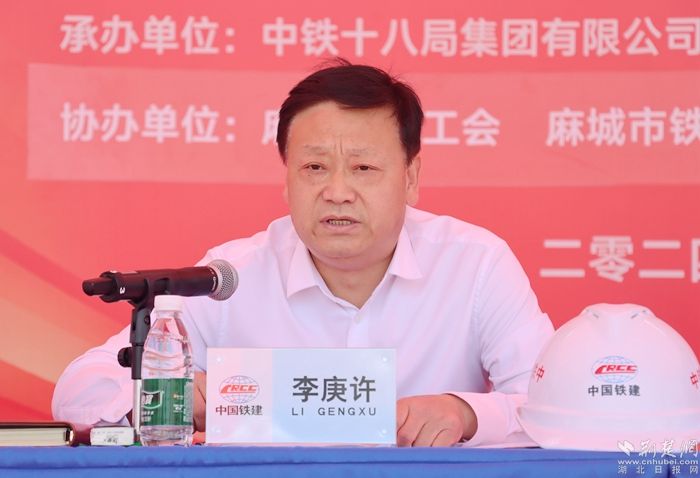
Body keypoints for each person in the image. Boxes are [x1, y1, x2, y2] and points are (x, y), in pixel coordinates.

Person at [53, 59, 554, 447]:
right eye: (314, 168)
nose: (337, 192)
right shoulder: (231, 277)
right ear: (287, 177)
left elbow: (556, 409)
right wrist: (171, 398)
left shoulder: (475, 264)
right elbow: (80, 390)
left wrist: (466, 414)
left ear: (411, 177)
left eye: (363, 168)